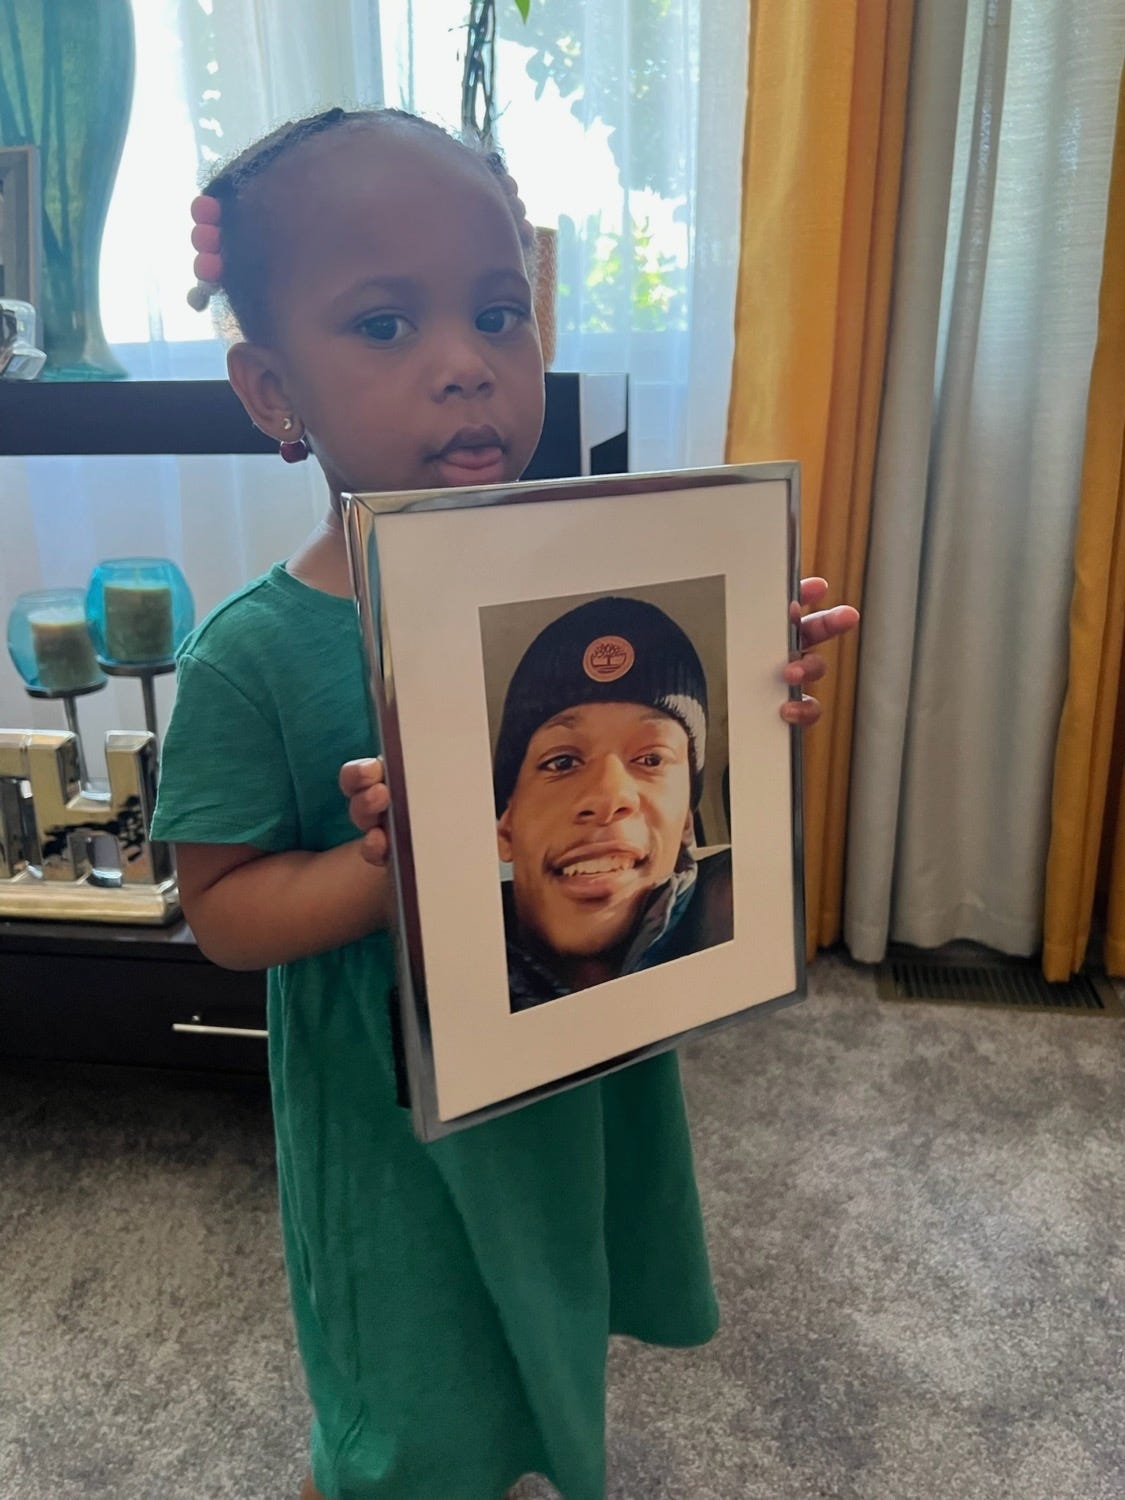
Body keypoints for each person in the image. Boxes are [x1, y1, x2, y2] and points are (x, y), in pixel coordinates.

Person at [151, 105, 859, 1500]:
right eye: (385, 326)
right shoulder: (253, 654)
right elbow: (223, 915)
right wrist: (384, 864)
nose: (467, 364)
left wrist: (742, 684)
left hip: (572, 1052)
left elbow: (668, 791)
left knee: (548, 1300)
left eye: (497, 315)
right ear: (272, 391)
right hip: (390, 1118)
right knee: (408, 1383)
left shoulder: (606, 574)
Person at [493, 594, 733, 1010]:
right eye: (562, 762)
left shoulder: (733, 911)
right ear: (506, 826)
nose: (608, 797)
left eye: (651, 759)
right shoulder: (447, 965)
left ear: (687, 822)